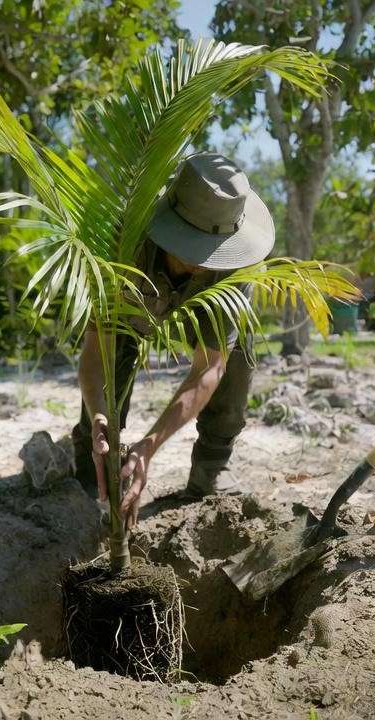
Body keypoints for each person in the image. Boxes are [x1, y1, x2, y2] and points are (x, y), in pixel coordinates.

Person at [71, 152, 275, 529]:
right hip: (128, 324)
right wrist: (100, 415)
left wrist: (149, 446)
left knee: (238, 349)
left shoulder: (236, 269)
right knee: (112, 369)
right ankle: (91, 464)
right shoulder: (123, 245)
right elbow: (96, 350)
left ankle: (212, 467)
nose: (205, 260)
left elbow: (209, 368)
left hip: (204, 315)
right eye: (193, 245)